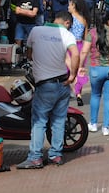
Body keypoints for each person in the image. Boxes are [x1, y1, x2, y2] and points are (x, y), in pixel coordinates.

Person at [16, 11, 79, 169]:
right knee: (58, 121)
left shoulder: (36, 31)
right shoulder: (66, 34)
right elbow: (76, 54)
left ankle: (35, 157)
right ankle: (56, 155)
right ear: (67, 23)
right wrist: (72, 76)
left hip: (44, 85)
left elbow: (29, 54)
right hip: (62, 83)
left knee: (39, 122)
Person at [86, 12, 109, 134]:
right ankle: (106, 127)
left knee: (95, 95)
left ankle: (93, 124)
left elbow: (84, 51)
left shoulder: (92, 33)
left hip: (95, 68)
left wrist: (80, 67)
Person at [68, 0, 91, 106]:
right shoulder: (84, 19)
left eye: (70, 5)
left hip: (70, 46)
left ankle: (69, 90)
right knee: (80, 70)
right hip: (81, 45)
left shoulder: (69, 19)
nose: (68, 7)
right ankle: (78, 94)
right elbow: (86, 36)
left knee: (68, 69)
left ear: (74, 6)